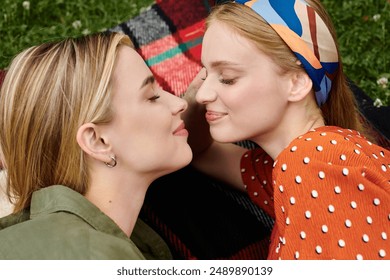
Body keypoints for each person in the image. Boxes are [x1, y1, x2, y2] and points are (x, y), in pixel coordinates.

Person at [183, 0, 390, 260]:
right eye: (204, 75)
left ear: (296, 83)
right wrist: (191, 99)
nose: (203, 94)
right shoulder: (295, 167)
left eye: (227, 78)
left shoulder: (311, 165)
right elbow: (200, 152)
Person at [0, 32, 192, 259]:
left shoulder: (103, 242)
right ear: (97, 141)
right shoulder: (86, 255)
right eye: (152, 97)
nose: (180, 103)